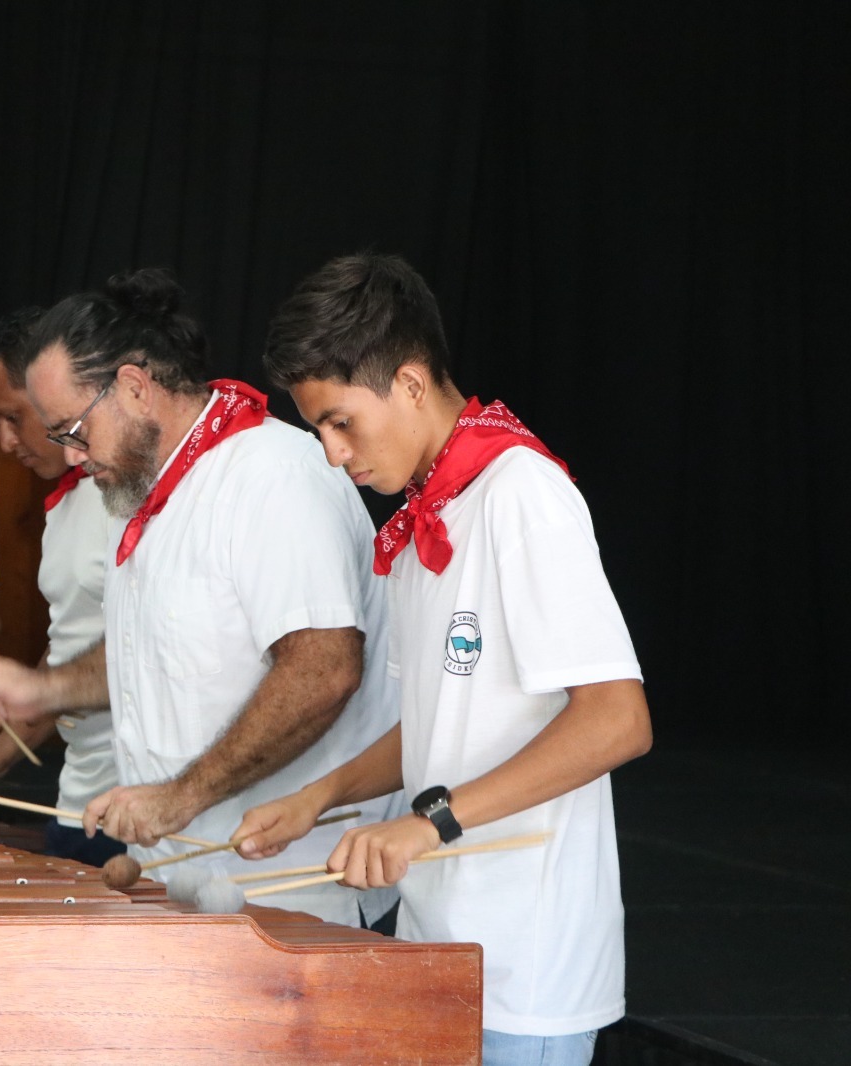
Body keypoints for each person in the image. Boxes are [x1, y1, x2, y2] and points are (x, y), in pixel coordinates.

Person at [236, 253, 652, 1064]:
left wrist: (432, 823)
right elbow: (433, 723)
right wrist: (316, 796)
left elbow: (618, 721)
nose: (331, 453)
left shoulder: (521, 495)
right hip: (439, 943)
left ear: (413, 384)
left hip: (525, 966)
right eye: (318, 427)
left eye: (340, 421)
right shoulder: (430, 516)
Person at [0, 269, 402, 926]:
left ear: (135, 388)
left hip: (294, 891)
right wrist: (45, 690)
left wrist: (180, 796)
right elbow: (150, 649)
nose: (72, 457)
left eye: (74, 429)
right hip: (193, 880)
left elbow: (323, 668)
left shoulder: (269, 475)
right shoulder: (147, 494)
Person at [0, 308, 125, 867]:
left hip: (134, 811)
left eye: (15, 417)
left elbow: (144, 647)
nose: (9, 441)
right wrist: (6, 746)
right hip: (77, 799)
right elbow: (72, 646)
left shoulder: (128, 493)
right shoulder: (67, 502)